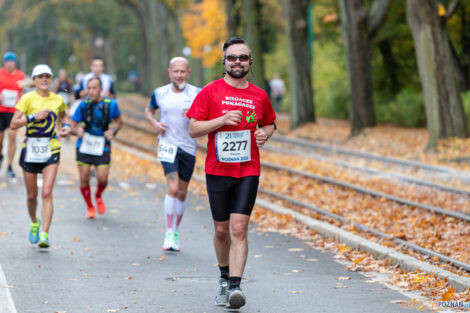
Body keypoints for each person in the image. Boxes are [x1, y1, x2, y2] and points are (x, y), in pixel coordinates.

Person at [187, 37, 276, 309]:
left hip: (248, 169)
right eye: (232, 57)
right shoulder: (210, 92)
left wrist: (264, 135)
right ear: (224, 62)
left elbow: (270, 123)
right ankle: (224, 278)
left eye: (242, 57)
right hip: (217, 169)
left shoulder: (259, 95)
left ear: (251, 62)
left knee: (239, 228)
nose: (237, 62)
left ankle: (236, 287)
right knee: (222, 230)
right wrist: (222, 120)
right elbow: (193, 129)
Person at [10, 64, 70, 248]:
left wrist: (65, 128)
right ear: (34, 80)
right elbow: (13, 124)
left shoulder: (58, 99)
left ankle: (45, 234)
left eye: (47, 76)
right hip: (30, 149)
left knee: (46, 192)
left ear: (51, 79)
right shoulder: (27, 99)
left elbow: (63, 117)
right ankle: (34, 222)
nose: (44, 79)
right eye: (40, 77)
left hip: (51, 148)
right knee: (31, 195)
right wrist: (32, 117)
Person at [145, 57, 200, 251]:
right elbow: (149, 111)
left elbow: (206, 118)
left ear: (188, 73)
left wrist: (195, 115)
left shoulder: (197, 93)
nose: (179, 75)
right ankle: (169, 233)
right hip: (167, 145)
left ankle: (176, 230)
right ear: (169, 72)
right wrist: (156, 124)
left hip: (188, 147)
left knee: (183, 192)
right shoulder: (160, 93)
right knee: (174, 188)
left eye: (182, 71)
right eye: (175, 71)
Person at [70, 77, 122, 219]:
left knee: (102, 178)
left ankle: (98, 194)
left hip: (102, 145)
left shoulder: (111, 104)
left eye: (94, 88)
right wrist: (76, 131)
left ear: (100, 89)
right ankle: (90, 206)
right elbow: (72, 124)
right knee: (84, 176)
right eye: (89, 88)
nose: (91, 91)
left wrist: (113, 131)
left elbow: (118, 122)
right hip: (84, 144)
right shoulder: (83, 105)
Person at [0, 51, 25, 177]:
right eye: (7, 61)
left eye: (12, 61)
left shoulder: (21, 76)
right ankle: (1, 156)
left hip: (13, 111)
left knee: (12, 136)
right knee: (0, 140)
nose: (9, 63)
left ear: (14, 62)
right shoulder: (0, 73)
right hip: (0, 110)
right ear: (4, 62)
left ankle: (10, 166)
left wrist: (22, 100)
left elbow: (23, 92)